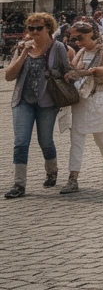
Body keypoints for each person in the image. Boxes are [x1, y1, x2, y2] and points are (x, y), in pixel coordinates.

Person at [5, 13, 70, 198]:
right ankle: (19, 185)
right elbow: (9, 76)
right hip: (22, 101)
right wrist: (24, 52)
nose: (34, 32)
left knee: (45, 141)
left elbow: (67, 71)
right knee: (20, 142)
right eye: (30, 28)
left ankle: (52, 170)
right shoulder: (22, 48)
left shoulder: (57, 48)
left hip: (47, 102)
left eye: (38, 28)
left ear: (48, 28)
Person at [57, 22, 103, 193]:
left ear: (92, 34)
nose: (77, 42)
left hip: (98, 97)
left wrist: (90, 71)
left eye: (80, 38)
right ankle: (73, 177)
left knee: (101, 138)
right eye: (74, 38)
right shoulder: (81, 52)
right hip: (80, 98)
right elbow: (73, 68)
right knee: (76, 138)